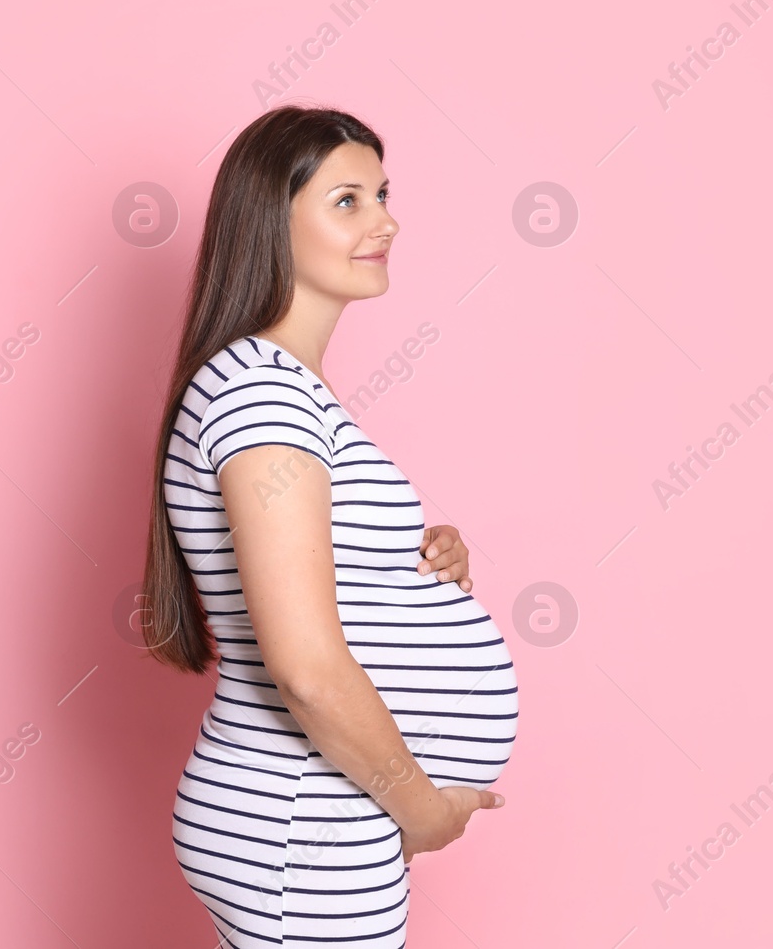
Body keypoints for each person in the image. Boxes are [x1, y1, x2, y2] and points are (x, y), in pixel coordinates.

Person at [141, 104, 519, 947]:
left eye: (383, 194)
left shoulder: (275, 390)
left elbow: (314, 583)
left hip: (316, 818)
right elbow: (305, 664)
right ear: (269, 222)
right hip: (304, 824)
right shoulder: (262, 396)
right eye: (348, 200)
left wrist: (414, 564)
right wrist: (419, 808)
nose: (386, 220)